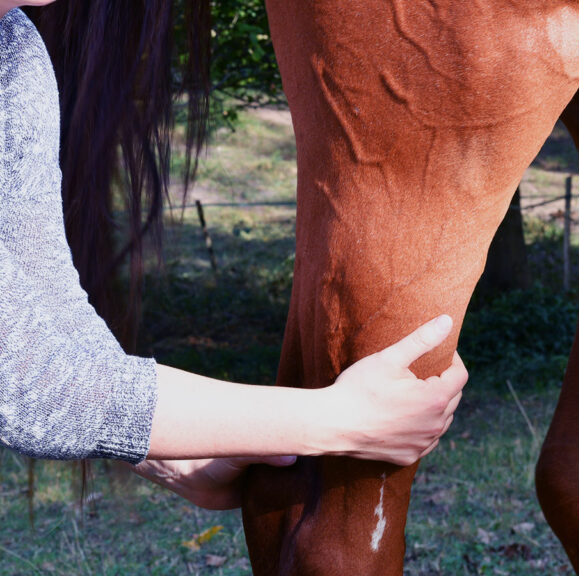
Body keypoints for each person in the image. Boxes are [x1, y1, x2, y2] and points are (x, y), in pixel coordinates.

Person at [0, 2, 467, 511]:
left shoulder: (15, 46)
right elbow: (29, 381)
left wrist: (170, 460)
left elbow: (44, 297)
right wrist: (336, 419)